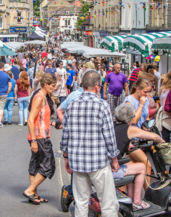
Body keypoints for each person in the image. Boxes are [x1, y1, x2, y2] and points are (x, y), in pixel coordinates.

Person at [60, 71, 120, 217]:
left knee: (81, 203)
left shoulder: (72, 105)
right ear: (97, 87)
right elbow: (109, 136)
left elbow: (65, 135)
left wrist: (66, 157)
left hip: (78, 162)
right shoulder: (102, 105)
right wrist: (114, 158)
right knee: (108, 203)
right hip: (98, 161)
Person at [112, 103, 165, 210]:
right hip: (112, 170)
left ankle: (131, 200)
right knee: (141, 167)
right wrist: (163, 142)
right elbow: (154, 136)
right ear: (129, 118)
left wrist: (127, 146)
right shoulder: (129, 128)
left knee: (132, 165)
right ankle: (137, 202)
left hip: (106, 166)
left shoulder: (112, 125)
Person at [24, 73, 57, 205]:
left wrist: (54, 124)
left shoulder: (44, 97)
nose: (54, 88)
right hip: (39, 137)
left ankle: (35, 195)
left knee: (36, 165)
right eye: (52, 86)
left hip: (39, 136)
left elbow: (41, 118)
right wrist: (34, 141)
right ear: (45, 84)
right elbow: (30, 120)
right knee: (48, 166)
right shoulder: (39, 98)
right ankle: (31, 190)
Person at [157, 67, 171, 142]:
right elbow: (165, 109)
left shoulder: (167, 89)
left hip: (169, 122)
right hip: (167, 122)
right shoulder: (167, 91)